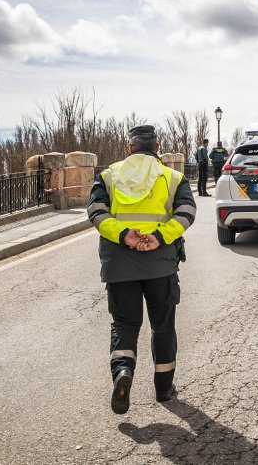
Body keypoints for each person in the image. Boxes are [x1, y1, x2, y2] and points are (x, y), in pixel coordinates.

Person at [88, 125, 196, 414]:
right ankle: (164, 389)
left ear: (129, 148)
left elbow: (96, 213)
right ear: (157, 146)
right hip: (160, 264)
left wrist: (124, 234)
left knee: (124, 325)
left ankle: (123, 372)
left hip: (120, 265)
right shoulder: (173, 178)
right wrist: (159, 237)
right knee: (163, 325)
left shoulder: (108, 176)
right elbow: (187, 213)